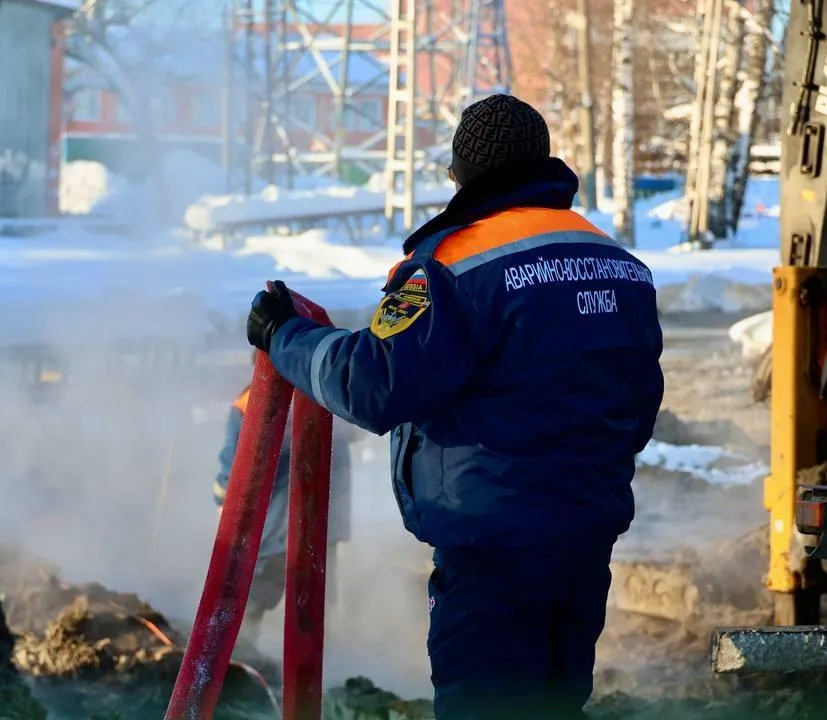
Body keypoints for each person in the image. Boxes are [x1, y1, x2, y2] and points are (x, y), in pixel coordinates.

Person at [244, 94, 664, 719]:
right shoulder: (620, 267)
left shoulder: (449, 268)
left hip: (492, 552)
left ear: (460, 175)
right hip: (583, 542)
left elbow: (371, 382)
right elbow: (639, 406)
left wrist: (283, 335)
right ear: (543, 165)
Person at [213, 351, 355, 646]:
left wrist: (224, 507)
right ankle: (321, 673)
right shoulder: (328, 397)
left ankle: (240, 660)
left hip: (275, 527)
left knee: (250, 601)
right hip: (324, 525)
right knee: (314, 606)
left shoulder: (251, 401)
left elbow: (234, 470)